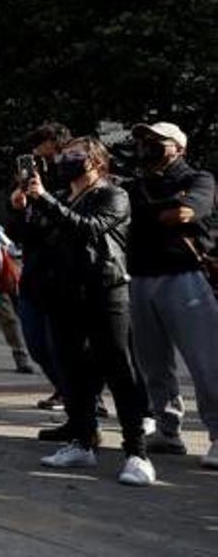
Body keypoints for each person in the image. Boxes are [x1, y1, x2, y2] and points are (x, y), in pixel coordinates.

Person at [14, 137, 155, 486]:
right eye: (63, 156)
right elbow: (37, 238)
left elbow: (89, 228)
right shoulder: (60, 198)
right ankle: (82, 441)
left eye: (75, 155)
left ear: (96, 162)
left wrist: (44, 200)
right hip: (65, 294)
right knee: (72, 371)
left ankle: (137, 453)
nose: (65, 161)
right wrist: (25, 207)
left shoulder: (113, 195)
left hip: (105, 291)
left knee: (119, 369)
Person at [125, 122, 218, 469]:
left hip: (184, 278)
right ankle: (167, 430)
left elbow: (183, 212)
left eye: (155, 141)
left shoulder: (199, 179)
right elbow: (149, 216)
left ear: (177, 147)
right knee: (152, 363)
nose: (146, 146)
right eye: (143, 141)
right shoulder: (137, 185)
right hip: (140, 278)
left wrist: (158, 212)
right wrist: (160, 212)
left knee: (206, 362)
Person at [8, 122, 72, 409]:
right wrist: (20, 208)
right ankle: (64, 388)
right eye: (35, 157)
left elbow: (70, 226)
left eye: (44, 157)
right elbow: (20, 233)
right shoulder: (32, 188)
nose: (39, 164)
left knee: (66, 345)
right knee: (36, 343)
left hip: (65, 276)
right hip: (35, 274)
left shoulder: (73, 184)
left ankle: (84, 398)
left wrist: (44, 197)